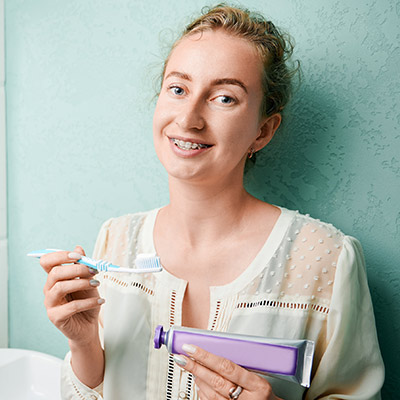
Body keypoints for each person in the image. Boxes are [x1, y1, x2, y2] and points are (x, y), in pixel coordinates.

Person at [39, 4, 384, 400]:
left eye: (223, 98)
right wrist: (84, 345)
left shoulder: (326, 259)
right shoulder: (115, 241)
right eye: (178, 89)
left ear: (263, 130)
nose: (188, 119)